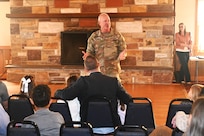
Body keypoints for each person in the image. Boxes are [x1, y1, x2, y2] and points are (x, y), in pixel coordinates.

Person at [55, 55, 133, 134]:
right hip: (112, 126)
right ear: (99, 65)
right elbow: (129, 100)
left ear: (85, 68)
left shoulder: (83, 82)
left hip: (88, 127)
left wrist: (57, 92)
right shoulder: (113, 81)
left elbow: (67, 95)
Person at [82, 13, 127, 81]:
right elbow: (89, 52)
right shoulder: (94, 37)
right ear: (99, 23)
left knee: (115, 90)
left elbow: (123, 50)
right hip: (98, 71)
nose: (107, 23)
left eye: (108, 21)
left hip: (113, 71)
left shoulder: (117, 36)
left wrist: (123, 54)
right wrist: (87, 56)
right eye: (105, 21)